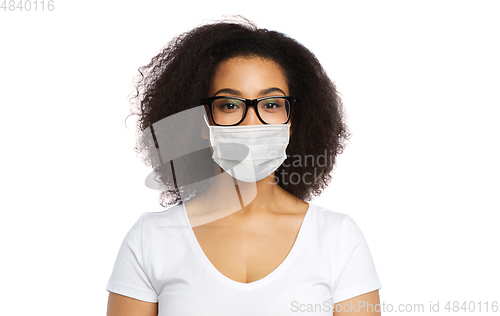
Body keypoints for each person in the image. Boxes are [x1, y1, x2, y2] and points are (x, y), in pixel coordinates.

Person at [106, 16, 382, 316]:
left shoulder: (337, 239)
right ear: (201, 121)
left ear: (291, 123)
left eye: (271, 105)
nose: (252, 123)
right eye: (230, 105)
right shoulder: (151, 239)